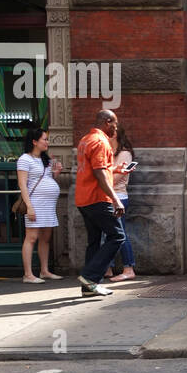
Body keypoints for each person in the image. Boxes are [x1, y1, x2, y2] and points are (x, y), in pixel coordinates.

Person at [74, 109, 125, 298]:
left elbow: (96, 168)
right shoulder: (101, 142)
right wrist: (116, 199)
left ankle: (89, 286)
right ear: (107, 122)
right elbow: (99, 173)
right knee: (117, 236)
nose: (116, 128)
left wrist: (115, 169)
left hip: (83, 198)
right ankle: (89, 277)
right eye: (115, 124)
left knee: (94, 241)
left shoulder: (85, 139)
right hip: (97, 198)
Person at [16, 127, 64, 283]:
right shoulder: (25, 159)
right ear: (34, 142)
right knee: (31, 237)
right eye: (44, 139)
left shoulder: (45, 160)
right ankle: (28, 274)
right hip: (35, 202)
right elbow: (23, 184)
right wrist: (29, 206)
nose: (47, 142)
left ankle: (44, 271)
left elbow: (46, 180)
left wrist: (56, 174)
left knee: (46, 237)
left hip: (48, 204)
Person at [104, 125, 137, 282]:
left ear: (115, 134)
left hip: (118, 197)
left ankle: (128, 268)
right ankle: (108, 268)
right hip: (107, 197)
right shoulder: (107, 153)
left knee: (120, 233)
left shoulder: (124, 154)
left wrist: (102, 175)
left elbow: (112, 180)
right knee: (108, 234)